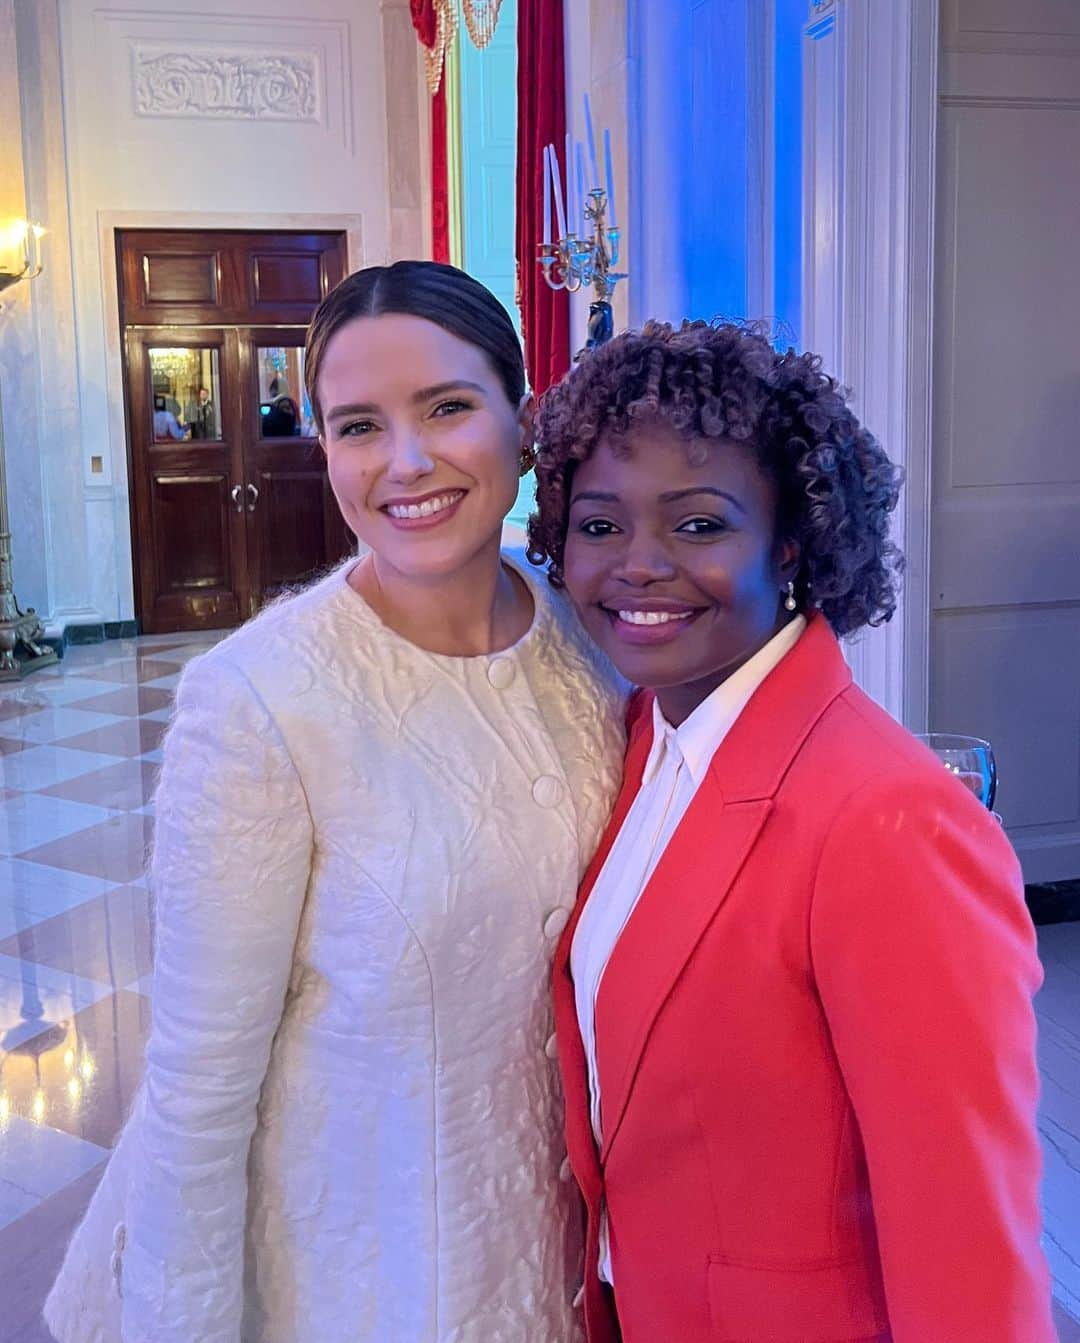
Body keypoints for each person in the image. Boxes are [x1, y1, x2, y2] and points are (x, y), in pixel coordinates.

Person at [45, 262, 626, 1343]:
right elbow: (198, 1089)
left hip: (565, 1255)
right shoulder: (260, 701)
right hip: (367, 1268)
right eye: (358, 425)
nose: (406, 461)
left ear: (521, 409)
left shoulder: (593, 639)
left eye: (447, 406)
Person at [528, 319, 1055, 1343]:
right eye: (599, 525)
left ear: (793, 541)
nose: (637, 565)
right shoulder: (647, 737)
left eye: (696, 525)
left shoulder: (888, 821)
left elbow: (969, 1244)